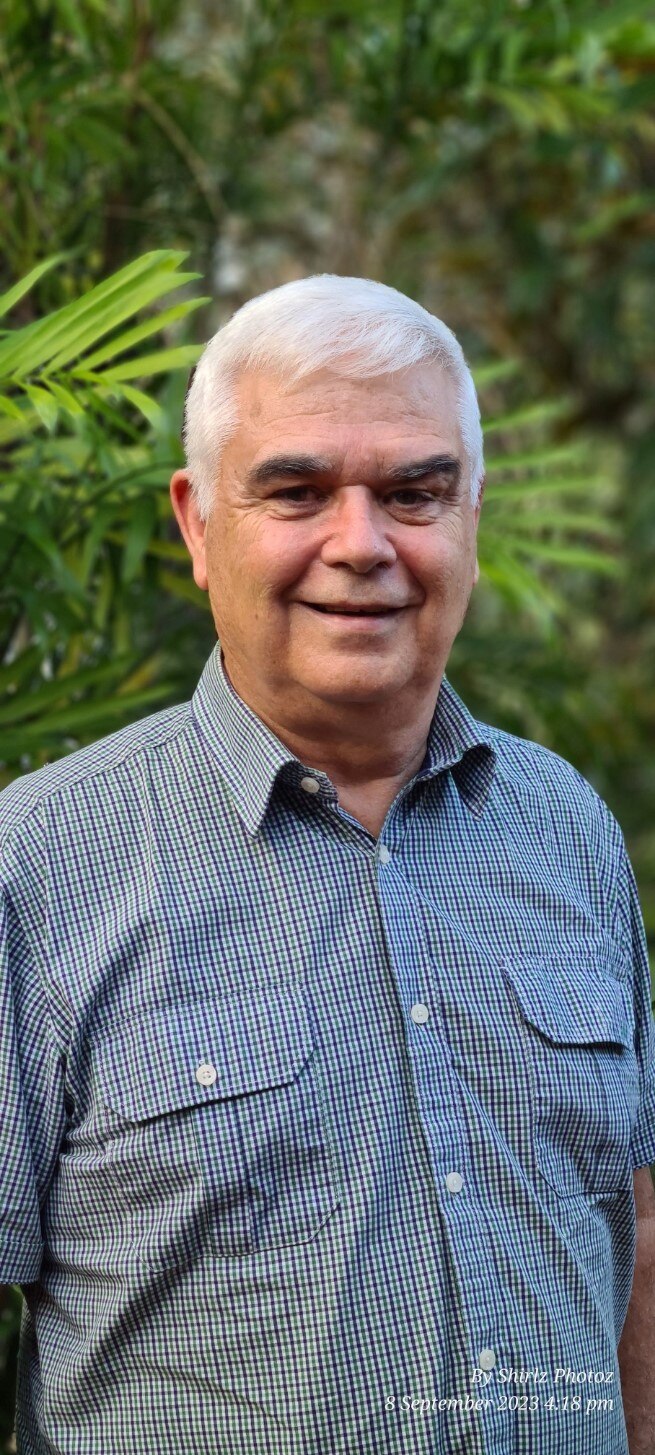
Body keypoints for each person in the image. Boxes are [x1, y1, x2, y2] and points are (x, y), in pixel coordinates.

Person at [1, 275, 654, 1455]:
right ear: (199, 524)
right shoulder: (38, 871)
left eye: (413, 492)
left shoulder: (568, 829)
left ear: (470, 516)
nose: (360, 545)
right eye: (297, 491)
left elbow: (631, 1219)